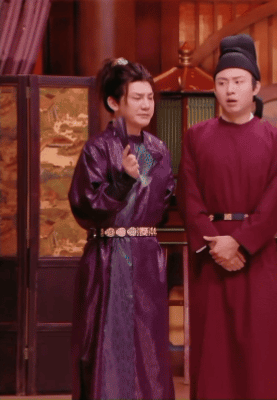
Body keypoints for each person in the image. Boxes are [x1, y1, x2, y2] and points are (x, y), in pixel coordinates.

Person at [177, 33, 277, 400]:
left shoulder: (274, 138)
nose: (230, 90)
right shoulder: (196, 136)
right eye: (223, 82)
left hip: (255, 254)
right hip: (210, 256)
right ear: (214, 89)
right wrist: (216, 244)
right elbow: (188, 196)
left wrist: (239, 242)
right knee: (213, 351)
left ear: (255, 87)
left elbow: (276, 204)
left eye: (239, 82)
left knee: (258, 348)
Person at [68, 58, 175, 399]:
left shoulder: (158, 150)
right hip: (108, 257)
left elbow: (164, 202)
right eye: (137, 98)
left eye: (150, 97)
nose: (146, 105)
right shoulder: (98, 149)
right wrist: (122, 182)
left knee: (149, 349)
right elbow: (86, 207)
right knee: (108, 345)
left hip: (146, 258)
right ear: (114, 102)